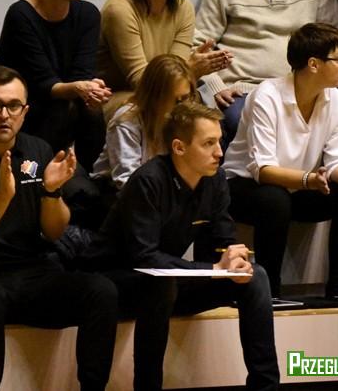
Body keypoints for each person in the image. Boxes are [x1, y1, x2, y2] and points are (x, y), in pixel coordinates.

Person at [0, 65, 118, 391]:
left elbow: (54, 232)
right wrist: (2, 197)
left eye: (13, 106)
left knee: (101, 290)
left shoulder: (38, 151)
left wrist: (52, 192)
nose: (4, 115)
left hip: (32, 273)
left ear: (25, 111)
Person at [82, 101, 279, 391]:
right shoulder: (148, 181)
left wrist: (234, 257)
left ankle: (266, 386)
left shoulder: (215, 178)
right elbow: (144, 257)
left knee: (255, 276)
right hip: (118, 282)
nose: (219, 152)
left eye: (219, 141)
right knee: (159, 284)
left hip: (169, 280)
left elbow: (224, 237)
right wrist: (213, 269)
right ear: (179, 147)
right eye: (209, 143)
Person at [222, 23, 338, 299]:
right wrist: (310, 180)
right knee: (274, 198)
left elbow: (337, 162)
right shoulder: (266, 96)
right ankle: (269, 293)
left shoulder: (336, 100)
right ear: (313, 64)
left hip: (305, 186)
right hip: (245, 186)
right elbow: (263, 169)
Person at [194, 0, 338, 148]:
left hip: (301, 88)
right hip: (244, 89)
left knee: (334, 119)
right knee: (249, 122)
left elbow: (331, 37)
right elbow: (198, 45)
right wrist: (215, 86)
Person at [0, 0, 111, 170]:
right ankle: (37, 172)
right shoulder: (21, 15)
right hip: (26, 101)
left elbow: (83, 72)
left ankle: (84, 173)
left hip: (66, 97)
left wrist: (90, 89)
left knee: (91, 108)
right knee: (62, 108)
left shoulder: (88, 14)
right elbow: (42, 83)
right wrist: (80, 87)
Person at [97, 0, 225, 119]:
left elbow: (176, 68)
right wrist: (191, 69)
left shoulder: (183, 7)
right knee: (162, 111)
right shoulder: (120, 9)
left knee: (203, 112)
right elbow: (140, 81)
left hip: (169, 92)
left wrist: (191, 70)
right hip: (124, 96)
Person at [91, 54, 196, 191]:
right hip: (115, 190)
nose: (182, 107)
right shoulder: (126, 121)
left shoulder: (183, 118)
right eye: (175, 100)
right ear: (155, 97)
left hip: (160, 188)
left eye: (186, 98)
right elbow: (127, 181)